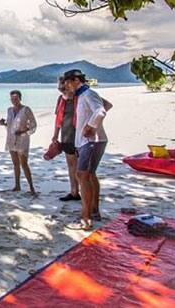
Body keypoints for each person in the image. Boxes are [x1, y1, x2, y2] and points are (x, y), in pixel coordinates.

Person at [63, 69, 108, 231]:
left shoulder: (88, 94)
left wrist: (90, 126)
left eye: (68, 82)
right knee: (89, 175)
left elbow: (101, 111)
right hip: (88, 141)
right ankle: (94, 211)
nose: (66, 85)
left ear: (76, 80)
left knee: (82, 175)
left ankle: (86, 217)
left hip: (91, 141)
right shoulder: (82, 95)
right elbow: (105, 106)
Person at [0, 90, 38, 196]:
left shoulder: (26, 109)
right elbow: (10, 126)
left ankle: (32, 188)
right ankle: (17, 185)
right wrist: (3, 123)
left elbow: (33, 124)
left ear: (20, 98)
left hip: (22, 139)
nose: (14, 101)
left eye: (16, 99)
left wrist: (24, 131)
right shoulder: (9, 110)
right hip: (11, 139)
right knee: (15, 164)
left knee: (24, 164)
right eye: (12, 99)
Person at [53, 76, 80, 202]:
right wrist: (55, 135)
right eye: (59, 84)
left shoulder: (79, 97)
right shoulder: (61, 99)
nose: (60, 86)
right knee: (71, 166)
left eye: (63, 84)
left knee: (82, 167)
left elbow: (105, 106)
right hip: (66, 136)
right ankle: (74, 192)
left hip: (80, 137)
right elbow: (58, 119)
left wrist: (92, 126)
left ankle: (84, 191)